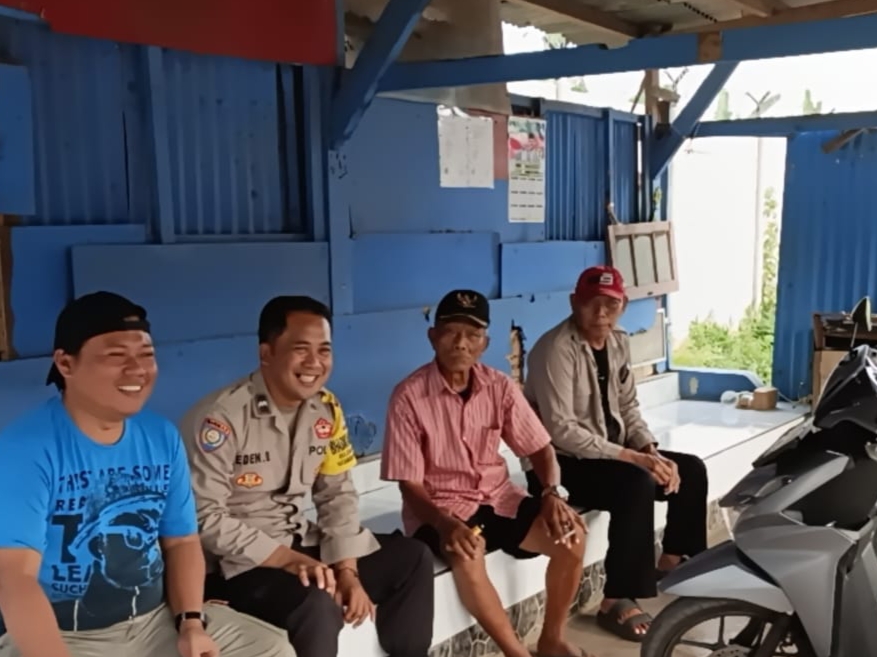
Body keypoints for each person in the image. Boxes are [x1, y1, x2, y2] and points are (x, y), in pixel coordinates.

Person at [0, 291, 292, 657]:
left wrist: (190, 622)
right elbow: (15, 577)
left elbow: (181, 542)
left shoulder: (160, 435)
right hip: (64, 636)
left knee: (269, 649)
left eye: (146, 355)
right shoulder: (25, 447)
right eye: (116, 355)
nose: (137, 369)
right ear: (65, 364)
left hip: (154, 623)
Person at [179, 295, 434, 657]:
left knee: (412, 558)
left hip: (297, 543)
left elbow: (336, 494)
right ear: (266, 353)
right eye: (301, 349)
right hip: (237, 566)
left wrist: (347, 570)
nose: (315, 362)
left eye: (324, 350)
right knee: (317, 604)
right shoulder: (221, 418)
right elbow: (204, 517)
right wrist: (289, 560)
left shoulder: (325, 409)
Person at [382, 289, 594, 657]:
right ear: (433, 336)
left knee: (571, 536)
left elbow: (541, 448)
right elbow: (409, 484)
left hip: (499, 498)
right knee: (467, 554)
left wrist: (551, 493)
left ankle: (551, 639)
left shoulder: (499, 386)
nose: (461, 343)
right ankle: (516, 653)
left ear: (485, 343)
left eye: (473, 334)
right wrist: (444, 523)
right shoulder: (408, 397)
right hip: (441, 510)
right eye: (451, 332)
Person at [524, 266, 709, 643]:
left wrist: (649, 450)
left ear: (623, 306)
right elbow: (561, 431)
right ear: (574, 302)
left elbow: (628, 407)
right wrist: (634, 459)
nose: (601, 313)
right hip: (559, 465)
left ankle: (673, 562)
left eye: (611, 304)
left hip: (611, 453)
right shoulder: (554, 349)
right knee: (635, 483)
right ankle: (615, 598)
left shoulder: (618, 341)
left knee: (688, 469)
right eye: (592, 303)